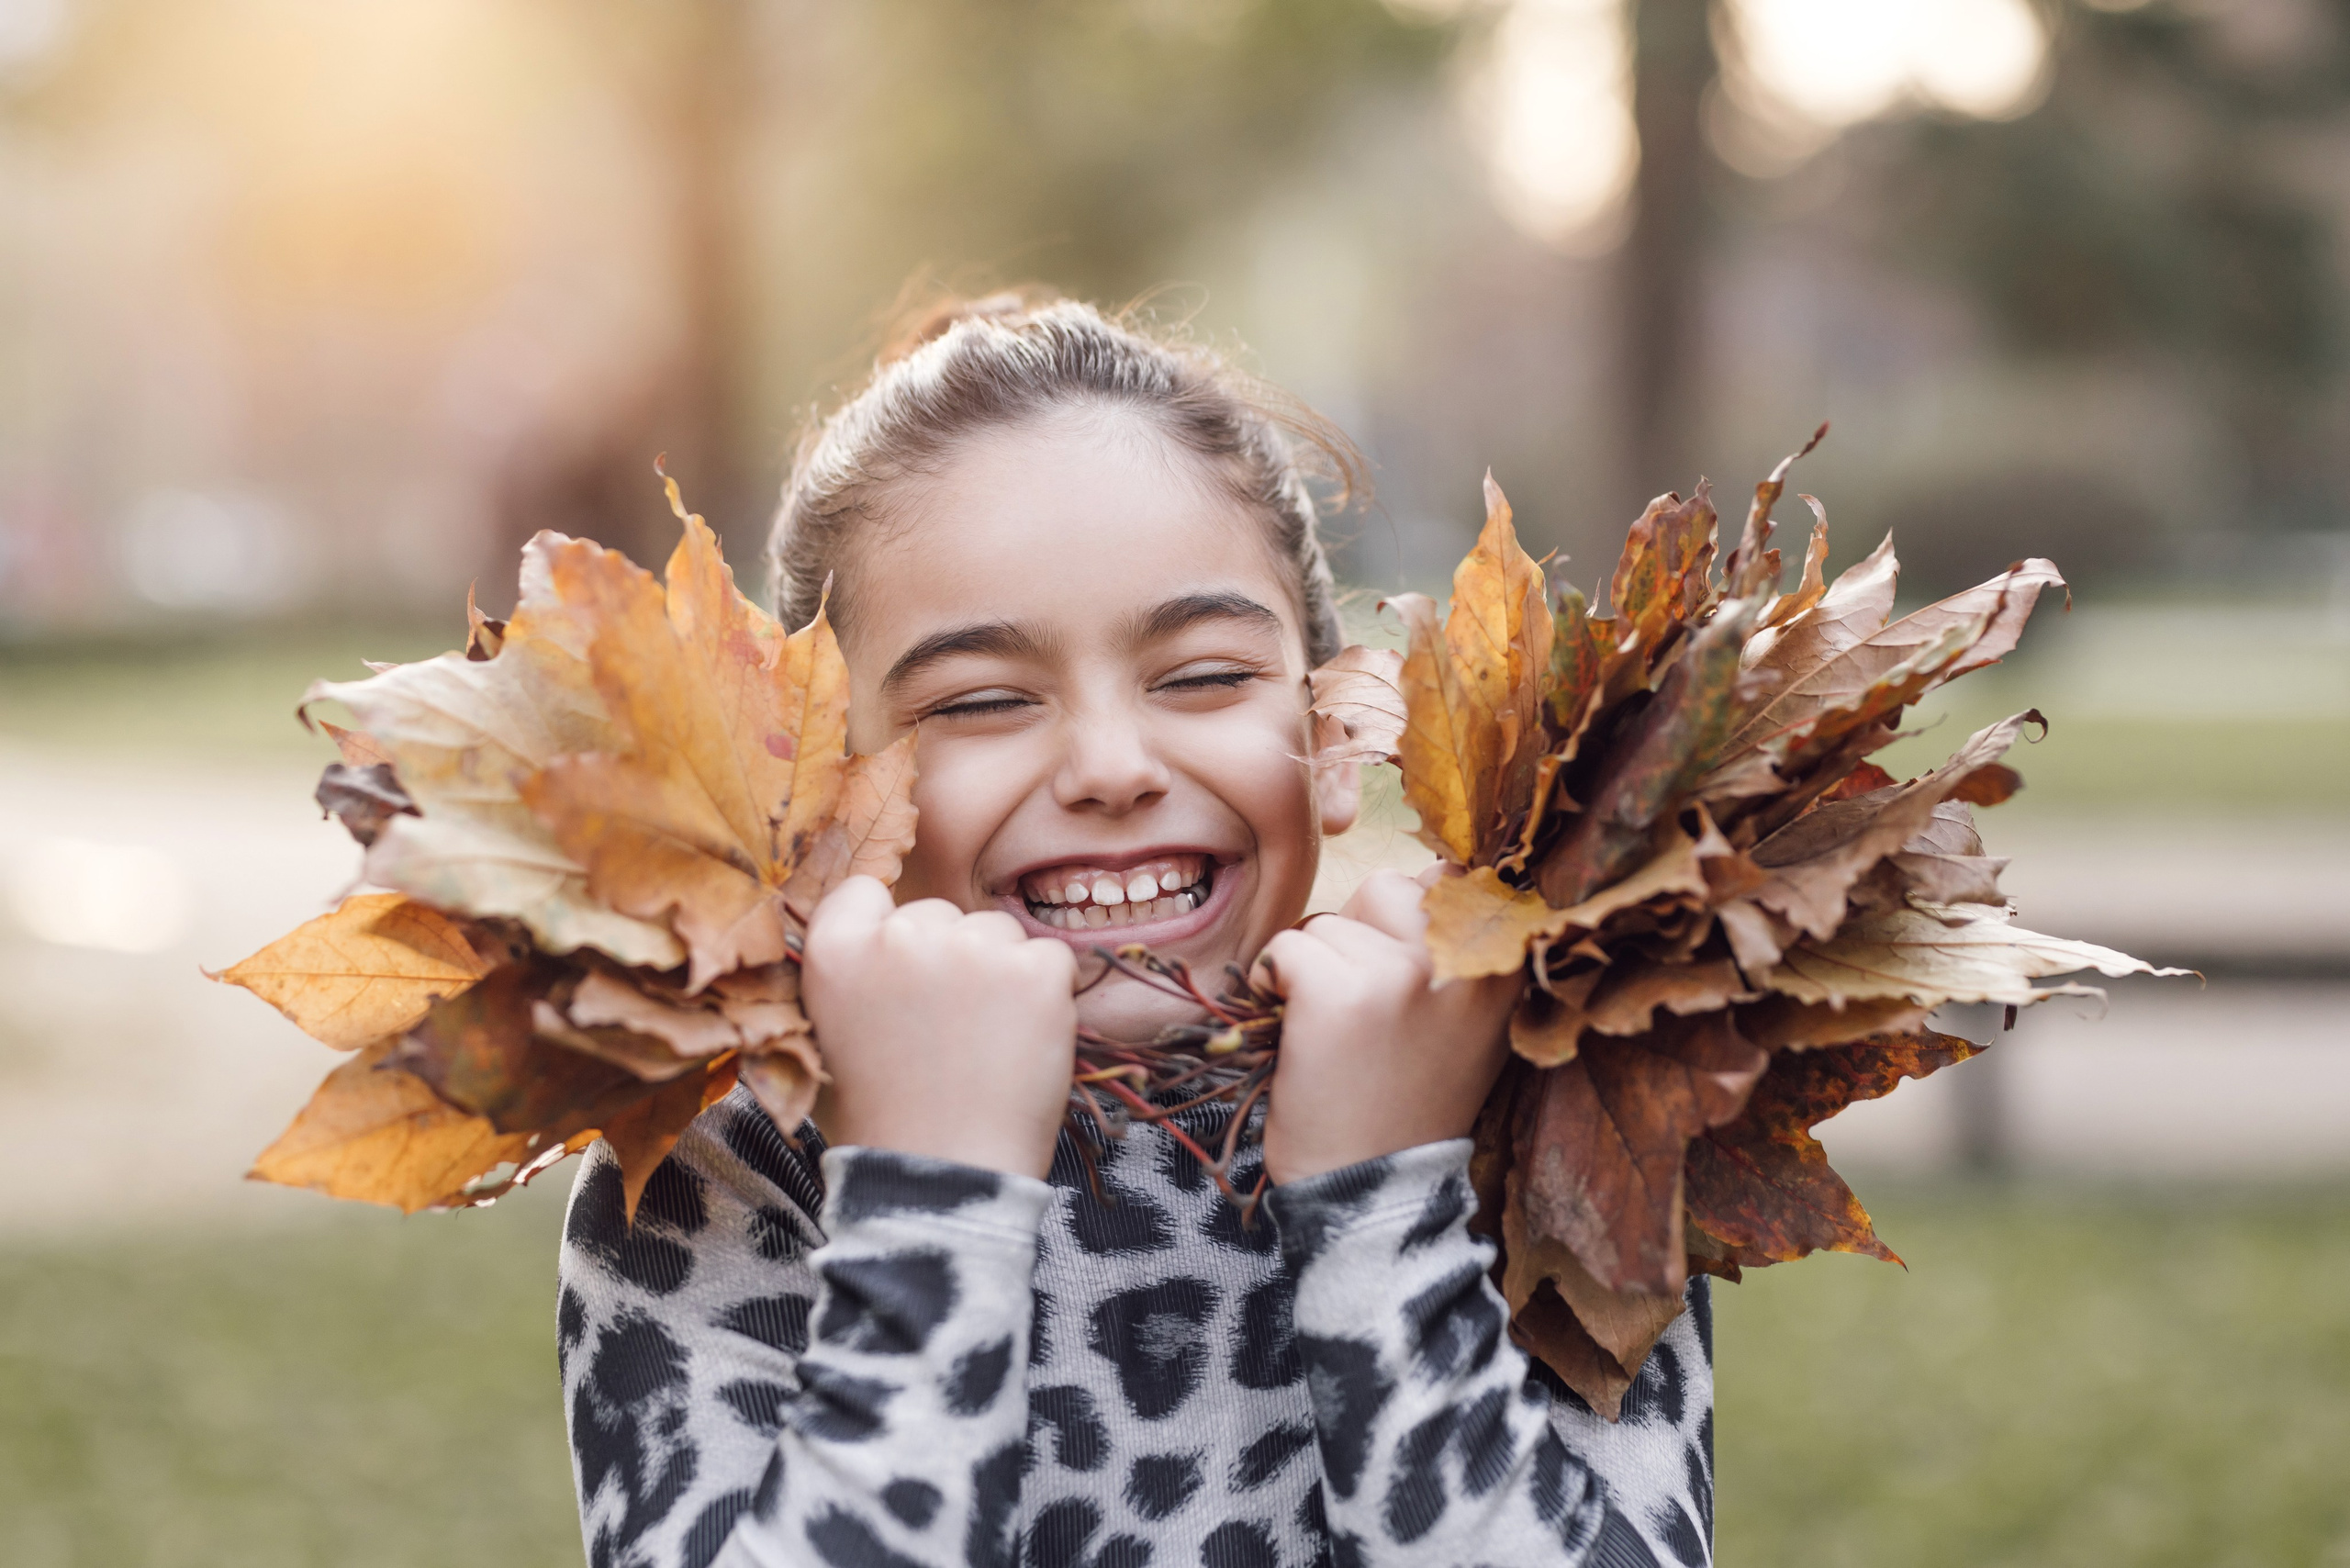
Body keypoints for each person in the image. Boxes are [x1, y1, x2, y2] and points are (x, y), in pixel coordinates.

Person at [556, 293, 1716, 1568]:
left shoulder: (1552, 1107)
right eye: (984, 700)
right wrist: (929, 1199)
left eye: (1205, 675)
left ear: (1335, 737)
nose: (1111, 766)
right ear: (823, 790)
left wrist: (1388, 1206)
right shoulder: (732, 1161)